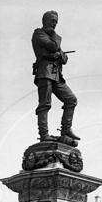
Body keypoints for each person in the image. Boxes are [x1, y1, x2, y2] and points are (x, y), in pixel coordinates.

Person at [32, 10, 79, 142]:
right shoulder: (38, 34)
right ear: (45, 21)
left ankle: (66, 129)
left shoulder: (53, 38)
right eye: (52, 21)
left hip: (56, 75)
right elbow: (53, 47)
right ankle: (44, 135)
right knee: (45, 104)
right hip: (45, 73)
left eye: (56, 22)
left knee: (71, 99)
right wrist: (55, 43)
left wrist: (58, 54)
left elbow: (64, 58)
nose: (54, 24)